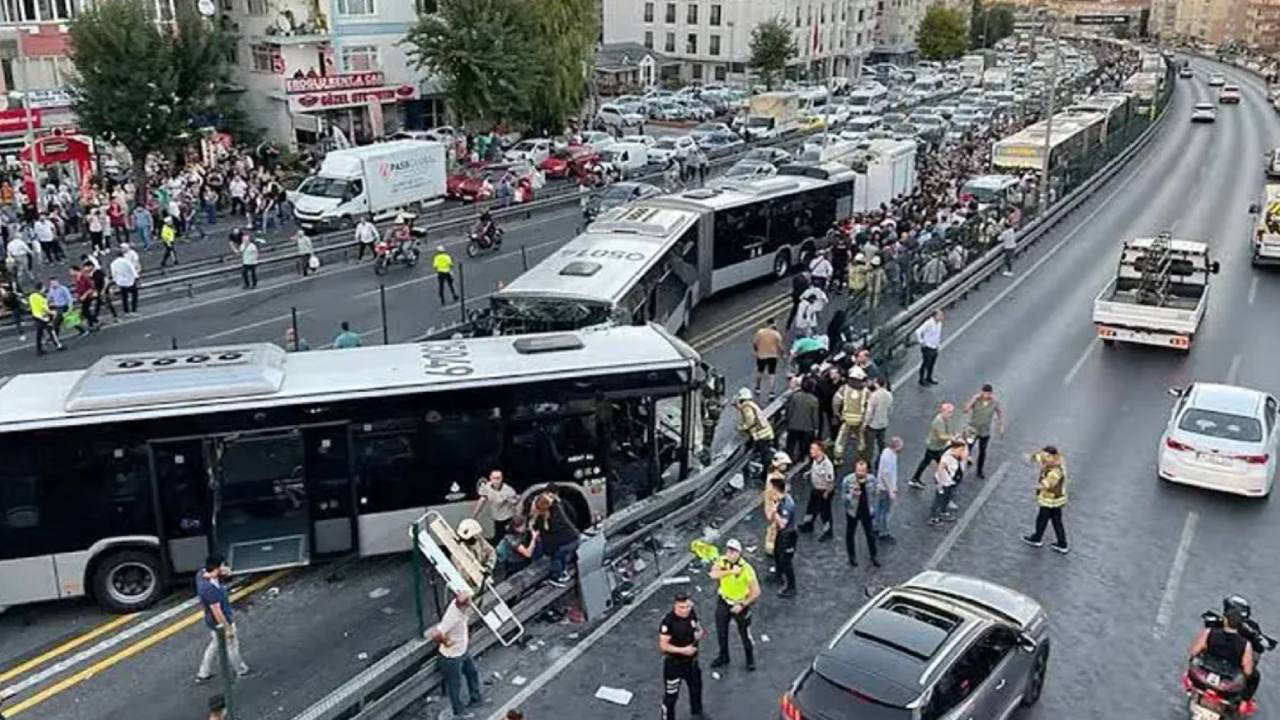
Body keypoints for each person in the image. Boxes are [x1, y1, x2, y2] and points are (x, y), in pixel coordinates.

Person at [1188, 600, 1260, 710]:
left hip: (1204, 676)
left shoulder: (1209, 632)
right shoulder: (1245, 645)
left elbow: (1193, 651)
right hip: (1227, 683)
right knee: (1255, 675)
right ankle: (1244, 702)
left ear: (1225, 621)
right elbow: (1248, 671)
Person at [194, 555, 251, 684]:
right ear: (216, 568)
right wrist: (228, 628)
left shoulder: (201, 574)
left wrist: (224, 574)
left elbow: (214, 575)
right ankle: (241, 669)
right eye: (223, 565)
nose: (226, 567)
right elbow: (217, 611)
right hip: (220, 621)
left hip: (211, 621)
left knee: (215, 644)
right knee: (232, 646)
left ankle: (203, 673)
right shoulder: (209, 590)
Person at [429, 590, 484, 720]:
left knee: (472, 673)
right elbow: (435, 633)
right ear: (463, 605)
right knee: (455, 685)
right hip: (452, 657)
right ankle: (458, 711)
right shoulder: (453, 616)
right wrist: (446, 642)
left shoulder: (458, 607)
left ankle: (476, 699)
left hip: (462, 651)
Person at [708, 538, 760, 671]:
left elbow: (756, 592)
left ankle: (750, 658)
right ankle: (724, 656)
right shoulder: (722, 561)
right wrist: (731, 572)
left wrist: (742, 604)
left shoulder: (747, 569)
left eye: (733, 551)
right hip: (724, 601)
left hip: (740, 603)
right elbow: (713, 574)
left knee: (745, 633)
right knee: (721, 631)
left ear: (739, 553)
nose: (730, 554)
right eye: (728, 550)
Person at [659, 592, 705, 720]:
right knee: (671, 696)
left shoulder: (691, 613)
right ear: (675, 606)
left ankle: (697, 714)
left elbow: (698, 628)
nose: (685, 610)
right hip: (674, 665)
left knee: (696, 690)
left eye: (687, 607)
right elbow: (663, 646)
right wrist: (683, 650)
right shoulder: (668, 622)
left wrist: (699, 633)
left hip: (692, 663)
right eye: (681, 607)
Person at [1021, 446, 1069, 553]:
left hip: (1050, 499)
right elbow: (1040, 457)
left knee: (1042, 519)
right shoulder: (1053, 461)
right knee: (1057, 521)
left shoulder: (1055, 471)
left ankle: (1037, 538)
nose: (1044, 459)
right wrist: (1031, 457)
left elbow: (1048, 483)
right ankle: (1062, 543)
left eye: (1047, 456)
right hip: (1057, 498)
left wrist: (1038, 486)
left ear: (1052, 456)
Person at [532, 491, 579, 587]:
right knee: (563, 555)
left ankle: (556, 577)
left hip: (564, 543)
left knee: (557, 557)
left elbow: (549, 543)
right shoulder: (557, 509)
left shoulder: (546, 522)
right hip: (574, 538)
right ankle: (563, 572)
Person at [841, 460, 879, 567]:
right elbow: (843, 497)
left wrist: (873, 508)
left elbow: (875, 493)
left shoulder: (872, 480)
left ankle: (873, 555)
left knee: (870, 534)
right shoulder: (848, 480)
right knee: (850, 534)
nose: (860, 472)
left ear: (866, 471)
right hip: (853, 511)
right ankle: (852, 556)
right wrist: (852, 495)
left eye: (863, 470)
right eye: (858, 470)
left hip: (867, 510)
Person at [963, 384, 1005, 479]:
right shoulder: (976, 400)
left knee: (982, 451)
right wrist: (972, 400)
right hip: (972, 429)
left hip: (985, 431)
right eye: (984, 393)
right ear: (981, 392)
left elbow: (999, 413)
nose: (985, 396)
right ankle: (960, 469)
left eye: (988, 394)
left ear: (991, 394)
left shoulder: (994, 402)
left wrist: (1001, 425)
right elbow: (965, 410)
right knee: (966, 449)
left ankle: (979, 471)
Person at [909, 403, 956, 489]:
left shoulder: (947, 419)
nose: (951, 414)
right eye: (949, 412)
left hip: (940, 446)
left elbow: (949, 430)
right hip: (934, 447)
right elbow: (941, 436)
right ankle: (942, 480)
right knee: (938, 463)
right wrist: (953, 438)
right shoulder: (939, 421)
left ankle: (916, 479)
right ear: (943, 411)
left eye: (952, 412)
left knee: (931, 462)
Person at [831, 370, 869, 470]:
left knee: (841, 439)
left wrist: (837, 414)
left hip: (846, 419)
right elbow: (870, 406)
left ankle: (837, 458)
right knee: (861, 439)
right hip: (860, 420)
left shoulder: (844, 389)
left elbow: (835, 402)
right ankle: (861, 458)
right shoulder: (866, 391)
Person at [735, 388, 775, 481]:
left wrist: (742, 427)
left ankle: (766, 476)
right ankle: (765, 474)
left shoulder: (746, 407)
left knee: (765, 457)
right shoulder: (751, 404)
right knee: (765, 454)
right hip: (766, 433)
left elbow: (750, 421)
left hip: (761, 435)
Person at [798, 441, 835, 540]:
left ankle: (828, 532)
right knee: (811, 508)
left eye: (813, 449)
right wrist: (808, 473)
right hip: (815, 489)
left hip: (824, 491)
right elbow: (814, 469)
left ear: (820, 451)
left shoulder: (827, 465)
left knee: (825, 512)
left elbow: (830, 481)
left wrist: (827, 493)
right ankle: (808, 525)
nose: (811, 451)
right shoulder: (815, 460)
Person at [770, 474, 798, 597]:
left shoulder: (788, 504)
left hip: (789, 535)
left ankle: (792, 587)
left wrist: (774, 511)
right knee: (776, 553)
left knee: (786, 561)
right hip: (781, 533)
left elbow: (782, 524)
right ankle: (778, 575)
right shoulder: (779, 500)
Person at [472, 469, 518, 539]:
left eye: (498, 478)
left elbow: (516, 504)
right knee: (498, 537)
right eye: (494, 478)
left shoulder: (509, 491)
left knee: (509, 538)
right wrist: (474, 515)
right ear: (490, 478)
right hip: (497, 518)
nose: (496, 481)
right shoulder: (486, 487)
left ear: (502, 478)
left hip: (507, 518)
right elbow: (482, 500)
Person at [929, 441, 966, 526]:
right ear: (954, 449)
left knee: (947, 497)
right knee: (938, 499)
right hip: (943, 482)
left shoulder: (956, 456)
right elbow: (940, 469)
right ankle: (933, 517)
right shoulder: (947, 457)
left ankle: (943, 511)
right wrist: (940, 484)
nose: (962, 452)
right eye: (960, 450)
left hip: (950, 482)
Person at [784, 378, 820, 464]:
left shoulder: (795, 396)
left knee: (791, 443)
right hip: (807, 427)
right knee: (803, 444)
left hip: (793, 424)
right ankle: (801, 458)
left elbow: (790, 410)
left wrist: (788, 421)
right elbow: (814, 416)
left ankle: (788, 458)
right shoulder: (814, 400)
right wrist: (816, 427)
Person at [873, 437, 903, 543]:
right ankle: (883, 532)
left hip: (882, 487)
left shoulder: (887, 452)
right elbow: (885, 475)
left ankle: (875, 527)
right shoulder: (889, 457)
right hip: (885, 488)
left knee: (878, 509)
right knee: (884, 511)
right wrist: (891, 490)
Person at [751, 318, 785, 399]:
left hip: (761, 355)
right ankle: (771, 392)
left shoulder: (760, 332)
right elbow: (780, 346)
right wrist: (782, 354)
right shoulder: (776, 334)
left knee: (760, 372)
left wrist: (756, 350)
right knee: (772, 374)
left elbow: (755, 343)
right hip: (773, 355)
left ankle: (758, 388)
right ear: (773, 324)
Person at [865, 376, 894, 465]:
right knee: (881, 443)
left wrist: (865, 423)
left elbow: (870, 412)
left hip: (873, 425)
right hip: (883, 424)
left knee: (870, 445)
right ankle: (881, 459)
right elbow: (890, 410)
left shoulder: (874, 396)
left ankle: (868, 461)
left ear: (876, 384)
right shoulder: (889, 395)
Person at [27, 282, 62, 354]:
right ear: (41, 288)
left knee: (39, 333)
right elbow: (45, 308)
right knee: (51, 331)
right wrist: (52, 312)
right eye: (44, 287)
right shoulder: (42, 297)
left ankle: (39, 349)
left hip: (36, 316)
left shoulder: (32, 296)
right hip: (43, 317)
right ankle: (58, 345)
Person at [915, 309, 944, 385]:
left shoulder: (939, 323)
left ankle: (929, 377)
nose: (942, 317)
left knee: (932, 363)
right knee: (925, 363)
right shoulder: (928, 323)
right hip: (927, 347)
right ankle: (921, 379)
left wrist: (938, 345)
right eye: (940, 315)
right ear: (935, 316)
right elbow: (918, 331)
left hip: (934, 347)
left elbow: (937, 335)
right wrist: (921, 341)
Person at [110, 248, 140, 315]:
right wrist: (136, 277)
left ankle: (126, 310)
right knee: (134, 294)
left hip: (121, 282)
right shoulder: (126, 261)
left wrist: (116, 280)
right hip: (130, 281)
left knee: (124, 297)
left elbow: (114, 273)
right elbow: (132, 269)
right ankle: (133, 310)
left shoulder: (113, 263)